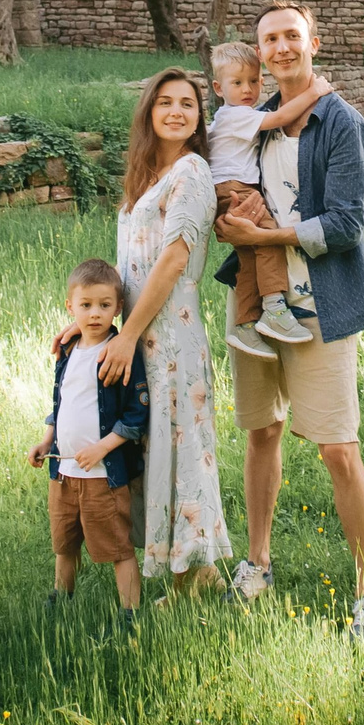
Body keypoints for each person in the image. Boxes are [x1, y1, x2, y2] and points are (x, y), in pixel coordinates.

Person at [213, 1, 364, 638]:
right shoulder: (249, 121)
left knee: (339, 450)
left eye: (292, 36)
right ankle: (257, 563)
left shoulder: (342, 124)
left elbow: (346, 225)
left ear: (313, 41)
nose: (281, 48)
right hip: (256, 303)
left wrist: (265, 238)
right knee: (262, 433)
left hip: (321, 304)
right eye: (270, 39)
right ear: (259, 53)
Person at [100, 68, 234, 592]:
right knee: (151, 448)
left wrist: (130, 335)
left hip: (171, 338)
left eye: (188, 104)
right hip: (134, 333)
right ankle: (195, 573)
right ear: (149, 112)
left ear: (199, 118)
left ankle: (190, 577)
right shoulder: (142, 181)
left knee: (182, 449)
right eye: (166, 102)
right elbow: (125, 269)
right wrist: (94, 330)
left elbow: (173, 259)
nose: (177, 111)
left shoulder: (192, 172)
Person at [29, 258, 149, 617]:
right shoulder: (68, 351)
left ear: (118, 307)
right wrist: (46, 440)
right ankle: (60, 600)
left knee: (117, 547)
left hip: (103, 476)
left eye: (104, 305)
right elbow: (60, 401)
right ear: (70, 307)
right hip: (64, 474)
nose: (95, 314)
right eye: (86, 306)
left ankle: (130, 613)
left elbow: (136, 415)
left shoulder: (118, 353)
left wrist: (102, 447)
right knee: (64, 544)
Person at [204, 40, 331, 359]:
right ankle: (275, 308)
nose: (247, 89)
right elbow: (279, 118)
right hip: (237, 190)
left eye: (253, 81)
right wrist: (314, 92)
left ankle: (245, 325)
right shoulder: (236, 116)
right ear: (219, 87)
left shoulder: (228, 116)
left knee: (251, 256)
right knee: (269, 240)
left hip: (226, 190)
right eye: (237, 83)